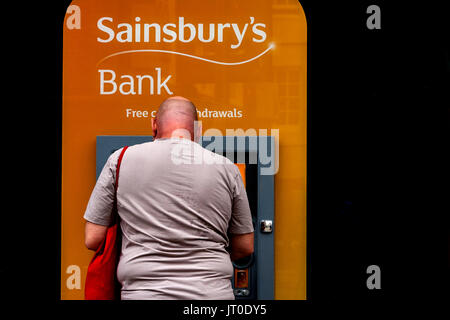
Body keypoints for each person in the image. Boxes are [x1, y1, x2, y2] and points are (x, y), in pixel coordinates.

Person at [84, 96, 254, 300]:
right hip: (211, 294)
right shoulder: (227, 168)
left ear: (154, 125)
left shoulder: (120, 159)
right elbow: (245, 247)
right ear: (198, 130)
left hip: (143, 293)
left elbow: (93, 239)